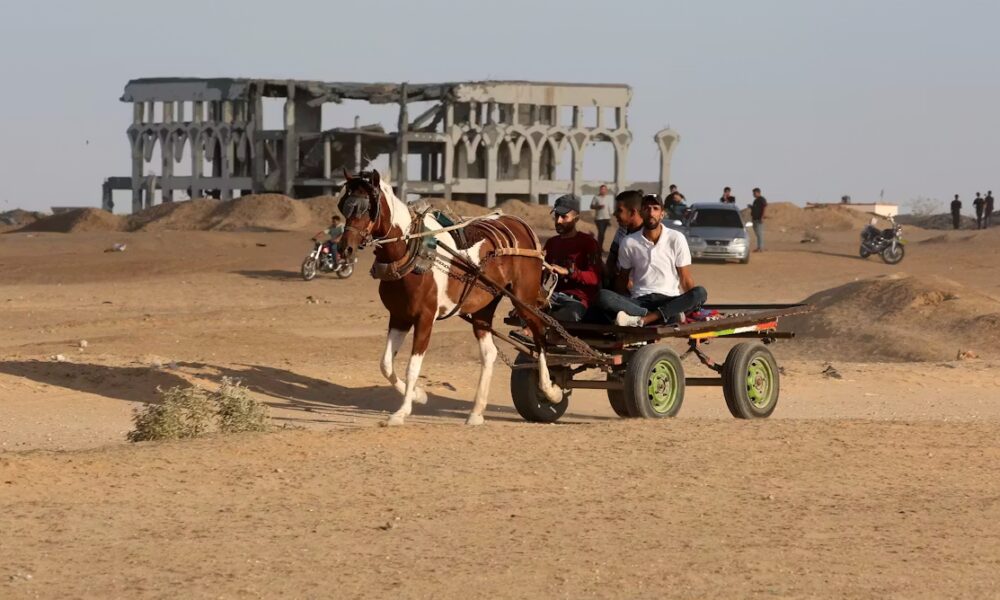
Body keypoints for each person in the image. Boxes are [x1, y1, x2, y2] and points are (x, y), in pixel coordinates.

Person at [596, 194, 708, 327]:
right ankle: (663, 316)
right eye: (647, 208)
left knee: (700, 292)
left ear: (662, 214)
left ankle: (645, 319)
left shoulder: (676, 238)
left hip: (670, 299)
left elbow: (685, 278)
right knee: (603, 296)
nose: (651, 213)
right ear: (641, 213)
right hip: (640, 300)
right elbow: (623, 279)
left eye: (655, 208)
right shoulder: (629, 242)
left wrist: (693, 305)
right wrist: (619, 302)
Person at [542, 195, 601, 322]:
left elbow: (595, 278)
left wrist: (570, 272)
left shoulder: (588, 243)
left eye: (564, 217)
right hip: (551, 296)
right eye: (557, 216)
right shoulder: (551, 243)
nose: (558, 221)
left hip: (575, 300)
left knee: (571, 314)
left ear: (576, 219)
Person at [604, 190, 646, 288]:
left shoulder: (647, 234)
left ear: (632, 212)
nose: (614, 214)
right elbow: (612, 257)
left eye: (619, 210)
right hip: (619, 282)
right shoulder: (622, 230)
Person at [590, 184, 613, 252]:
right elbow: (591, 206)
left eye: (604, 189)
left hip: (606, 218)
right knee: (601, 233)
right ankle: (599, 248)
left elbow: (610, 209)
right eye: (601, 189)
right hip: (599, 218)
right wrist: (598, 207)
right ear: (600, 190)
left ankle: (600, 247)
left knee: (603, 234)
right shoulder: (596, 197)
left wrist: (611, 218)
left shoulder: (609, 198)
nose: (603, 190)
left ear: (606, 190)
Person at [750, 187, 767, 252]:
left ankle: (761, 248)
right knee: (757, 234)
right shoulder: (755, 200)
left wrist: (762, 217)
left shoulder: (762, 199)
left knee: (759, 234)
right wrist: (751, 207)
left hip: (759, 219)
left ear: (758, 193)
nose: (753, 194)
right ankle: (758, 247)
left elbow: (764, 207)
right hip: (754, 219)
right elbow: (755, 209)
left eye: (754, 193)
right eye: (753, 193)